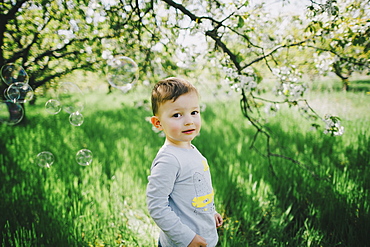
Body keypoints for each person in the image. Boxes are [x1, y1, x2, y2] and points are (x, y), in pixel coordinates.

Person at [146, 77, 223, 247]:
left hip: (206, 237)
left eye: (194, 112)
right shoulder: (169, 160)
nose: (189, 120)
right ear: (158, 123)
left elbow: (195, 189)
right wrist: (186, 238)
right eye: (177, 115)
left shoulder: (191, 149)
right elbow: (157, 205)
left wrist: (210, 212)